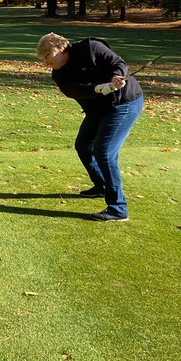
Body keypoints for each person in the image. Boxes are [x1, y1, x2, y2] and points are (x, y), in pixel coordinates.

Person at [37, 32, 144, 222]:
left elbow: (117, 63)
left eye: (47, 57)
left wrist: (116, 78)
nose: (46, 63)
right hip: (98, 108)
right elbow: (73, 90)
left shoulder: (91, 48)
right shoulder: (58, 73)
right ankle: (102, 186)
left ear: (60, 48)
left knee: (104, 152)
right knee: (83, 145)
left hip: (124, 104)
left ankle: (118, 208)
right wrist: (99, 88)